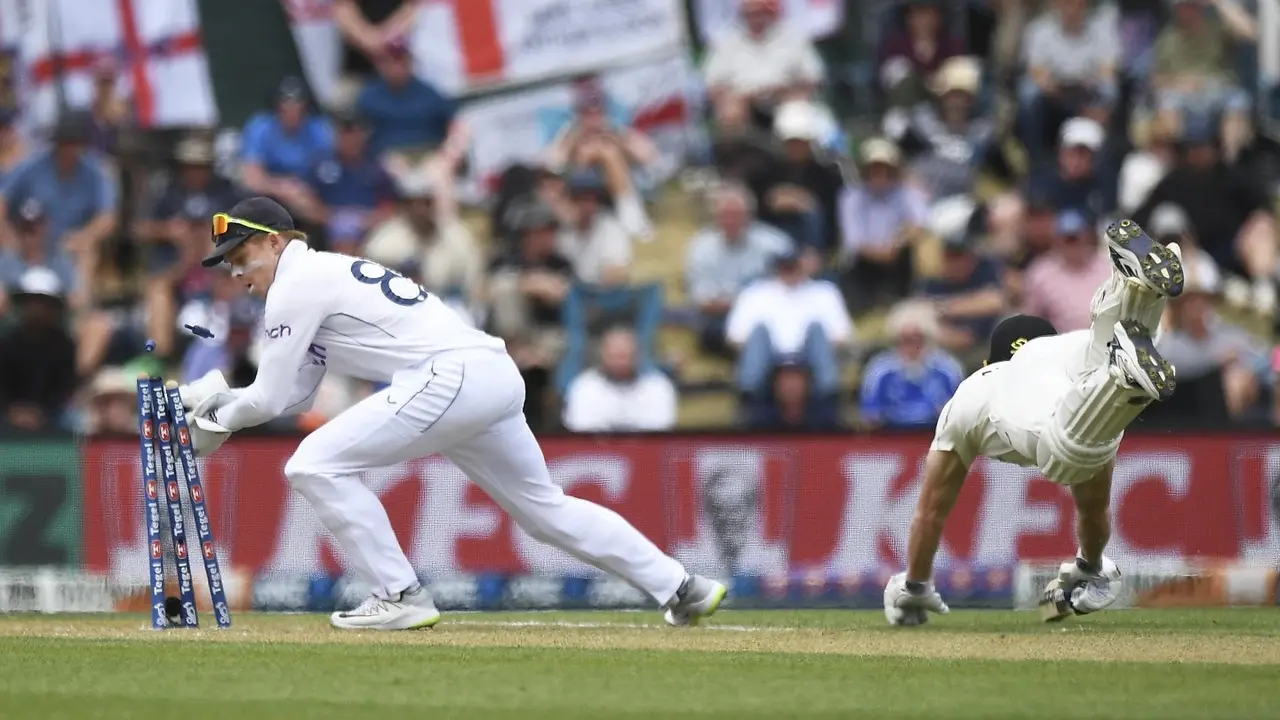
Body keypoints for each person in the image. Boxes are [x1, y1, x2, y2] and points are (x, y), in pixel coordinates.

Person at [182, 197, 726, 631]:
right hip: (489, 374)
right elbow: (295, 394)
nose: (235, 271)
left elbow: (268, 401)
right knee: (545, 511)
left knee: (312, 465)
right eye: (228, 262)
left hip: (449, 376)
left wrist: (212, 418)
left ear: (274, 241)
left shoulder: (295, 286)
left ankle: (399, 595)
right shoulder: (316, 276)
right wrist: (216, 405)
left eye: (240, 256)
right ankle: (682, 586)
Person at [883, 218, 1184, 626]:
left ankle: (1122, 371)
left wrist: (916, 585)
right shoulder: (1060, 351)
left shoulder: (981, 387)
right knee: (1104, 352)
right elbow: (1093, 508)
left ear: (989, 361)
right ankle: (1133, 290)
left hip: (1033, 396)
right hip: (1074, 356)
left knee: (1064, 455)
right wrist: (1089, 566)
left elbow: (930, 513)